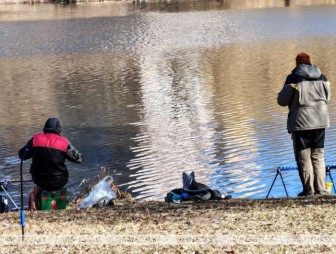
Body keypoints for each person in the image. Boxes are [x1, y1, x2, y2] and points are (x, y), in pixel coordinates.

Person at [277, 53, 330, 196]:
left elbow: (282, 101)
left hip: (302, 124)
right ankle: (321, 190)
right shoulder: (322, 77)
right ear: (310, 63)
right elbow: (327, 97)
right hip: (320, 122)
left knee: (304, 157)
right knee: (318, 156)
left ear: (297, 64)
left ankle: (309, 191)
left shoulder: (294, 79)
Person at [18, 118, 83, 191]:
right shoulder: (64, 142)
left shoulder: (35, 139)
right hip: (59, 181)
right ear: (58, 129)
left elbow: (22, 155)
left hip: (39, 180)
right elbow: (79, 159)